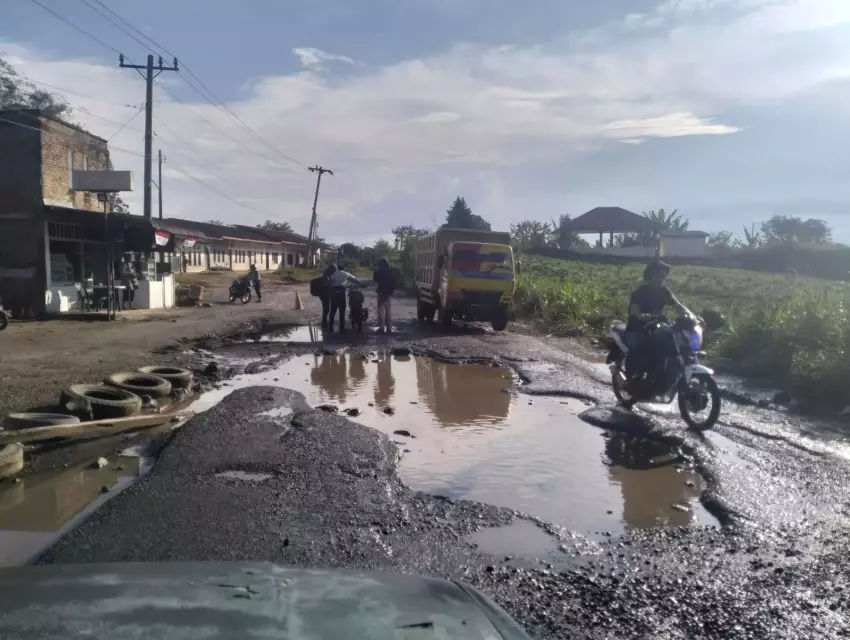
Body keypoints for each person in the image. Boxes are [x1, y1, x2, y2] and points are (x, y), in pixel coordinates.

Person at [625, 258, 694, 385]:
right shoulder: (639, 293)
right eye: (659, 276)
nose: (662, 279)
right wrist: (641, 315)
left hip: (655, 325)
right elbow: (635, 310)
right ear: (650, 276)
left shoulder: (664, 291)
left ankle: (661, 375)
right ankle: (630, 380)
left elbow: (677, 305)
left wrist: (690, 315)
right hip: (637, 328)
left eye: (664, 276)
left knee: (670, 343)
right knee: (639, 347)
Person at [326, 265, 362, 332]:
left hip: (334, 292)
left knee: (333, 310)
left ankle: (330, 327)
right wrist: (360, 284)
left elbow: (330, 282)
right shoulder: (345, 273)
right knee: (342, 311)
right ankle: (342, 327)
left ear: (337, 269)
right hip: (341, 292)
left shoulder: (334, 273)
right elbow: (353, 279)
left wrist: (330, 291)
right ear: (343, 269)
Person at [372, 257, 396, 334]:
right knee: (388, 311)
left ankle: (381, 327)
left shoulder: (379, 271)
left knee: (380, 311)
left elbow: (375, 279)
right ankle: (389, 327)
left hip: (381, 293)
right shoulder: (390, 271)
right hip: (388, 293)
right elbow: (393, 282)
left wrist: (375, 271)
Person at [319, 263, 338, 328]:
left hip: (325, 294)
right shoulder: (326, 277)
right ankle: (324, 323)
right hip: (325, 295)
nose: (336, 272)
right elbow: (328, 286)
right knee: (326, 309)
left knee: (326, 309)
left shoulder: (326, 276)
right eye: (335, 270)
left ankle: (325, 322)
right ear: (332, 270)